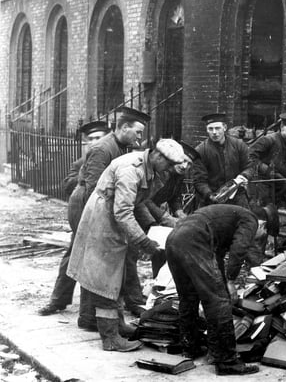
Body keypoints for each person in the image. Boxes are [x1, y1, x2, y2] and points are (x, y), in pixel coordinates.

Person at [67, 139, 185, 352]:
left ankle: (117, 324)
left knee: (117, 274)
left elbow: (138, 202)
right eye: (168, 164)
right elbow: (122, 211)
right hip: (103, 218)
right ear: (158, 156)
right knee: (104, 278)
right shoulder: (131, 170)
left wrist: (160, 223)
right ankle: (110, 338)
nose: (169, 170)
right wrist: (143, 241)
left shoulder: (151, 169)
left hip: (116, 217)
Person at [165, 204, 264, 375]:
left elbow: (215, 258)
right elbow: (239, 248)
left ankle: (190, 347)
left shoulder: (227, 218)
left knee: (188, 298)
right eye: (262, 236)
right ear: (263, 225)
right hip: (193, 239)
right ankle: (227, 362)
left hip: (174, 238)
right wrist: (231, 281)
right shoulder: (251, 219)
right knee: (219, 302)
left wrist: (223, 280)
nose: (257, 239)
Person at [38, 120, 111, 316]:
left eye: (99, 137)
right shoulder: (80, 163)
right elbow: (68, 186)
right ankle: (58, 300)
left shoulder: (112, 159)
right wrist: (83, 174)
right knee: (72, 258)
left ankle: (133, 301)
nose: (95, 142)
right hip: (83, 217)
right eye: (91, 139)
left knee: (122, 260)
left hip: (107, 217)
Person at [135, 141, 201, 277]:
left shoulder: (178, 175)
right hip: (141, 213)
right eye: (182, 161)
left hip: (155, 214)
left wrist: (180, 213)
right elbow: (144, 199)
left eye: (189, 164)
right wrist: (165, 218)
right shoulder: (160, 172)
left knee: (162, 248)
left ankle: (158, 282)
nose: (184, 166)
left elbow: (174, 197)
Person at [193, 113, 253, 208]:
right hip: (212, 199)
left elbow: (249, 166)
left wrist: (243, 176)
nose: (214, 132)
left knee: (246, 219)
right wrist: (210, 195)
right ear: (206, 130)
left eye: (217, 128)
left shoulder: (239, 145)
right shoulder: (201, 150)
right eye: (210, 129)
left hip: (237, 196)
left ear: (224, 128)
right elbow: (199, 180)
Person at [249, 113, 286, 207]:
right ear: (282, 127)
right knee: (266, 211)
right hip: (263, 182)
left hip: (280, 183)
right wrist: (267, 169)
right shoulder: (268, 140)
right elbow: (250, 156)